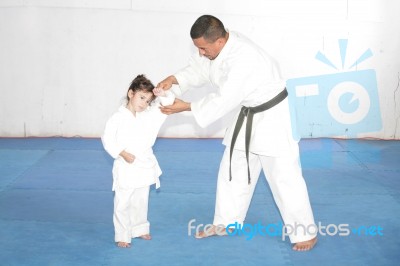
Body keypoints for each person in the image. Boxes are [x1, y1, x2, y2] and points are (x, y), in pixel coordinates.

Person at [156, 15, 317, 251]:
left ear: (219, 41)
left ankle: (305, 232)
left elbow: (224, 99)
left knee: (284, 175)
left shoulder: (244, 58)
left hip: (273, 116)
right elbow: (200, 69)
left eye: (203, 48)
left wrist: (187, 106)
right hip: (249, 112)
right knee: (234, 167)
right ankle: (226, 221)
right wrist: (175, 79)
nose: (200, 53)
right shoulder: (221, 48)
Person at [102, 74, 174, 248]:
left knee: (141, 199)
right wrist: (122, 153)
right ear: (130, 93)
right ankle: (122, 234)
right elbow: (107, 139)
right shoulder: (117, 118)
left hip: (144, 163)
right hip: (126, 164)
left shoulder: (148, 115)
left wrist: (162, 93)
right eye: (141, 97)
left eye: (148, 101)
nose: (144, 103)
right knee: (123, 201)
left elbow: (168, 103)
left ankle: (139, 228)